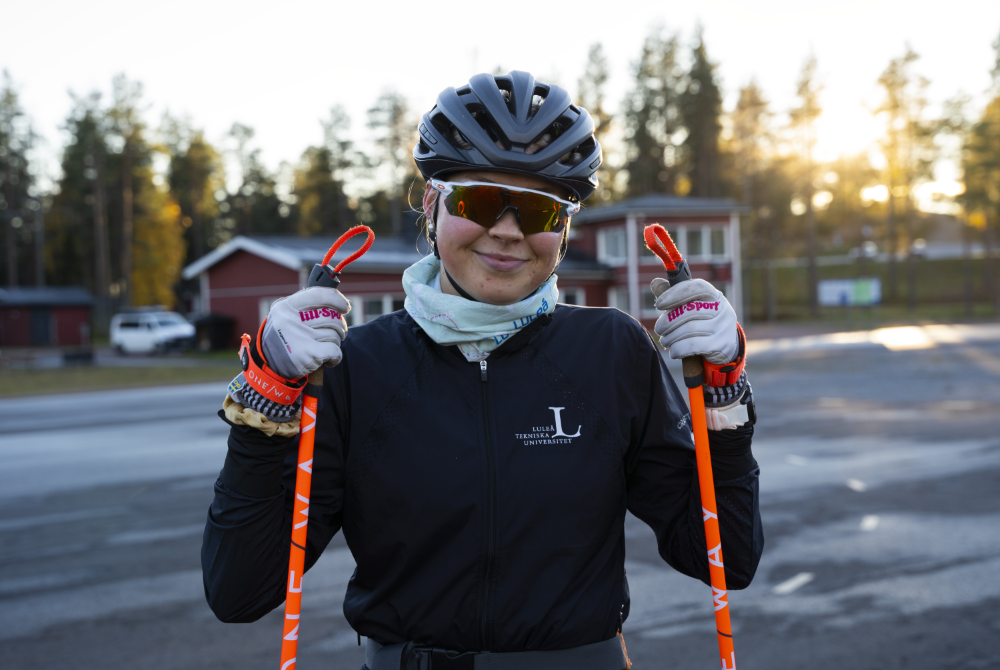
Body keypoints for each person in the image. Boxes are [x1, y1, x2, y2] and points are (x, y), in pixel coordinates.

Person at [203, 71, 763, 670]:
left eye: (539, 211)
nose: (507, 231)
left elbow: (725, 558)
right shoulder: (355, 366)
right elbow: (242, 591)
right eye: (480, 201)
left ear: (564, 227)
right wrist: (264, 406)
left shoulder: (612, 350)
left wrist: (724, 397)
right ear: (432, 202)